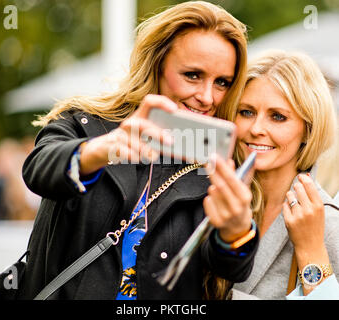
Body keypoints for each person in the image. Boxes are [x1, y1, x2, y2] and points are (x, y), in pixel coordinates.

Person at [17, 1, 259, 300]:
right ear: (157, 64)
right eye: (193, 75)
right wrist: (100, 150)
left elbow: (229, 269)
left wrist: (236, 231)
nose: (207, 97)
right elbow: (39, 170)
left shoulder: (217, 167)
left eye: (222, 82)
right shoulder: (84, 122)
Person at [204, 50, 339, 300]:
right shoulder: (206, 192)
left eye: (278, 117)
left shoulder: (327, 225)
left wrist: (311, 251)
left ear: (309, 130)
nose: (256, 129)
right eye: (246, 112)